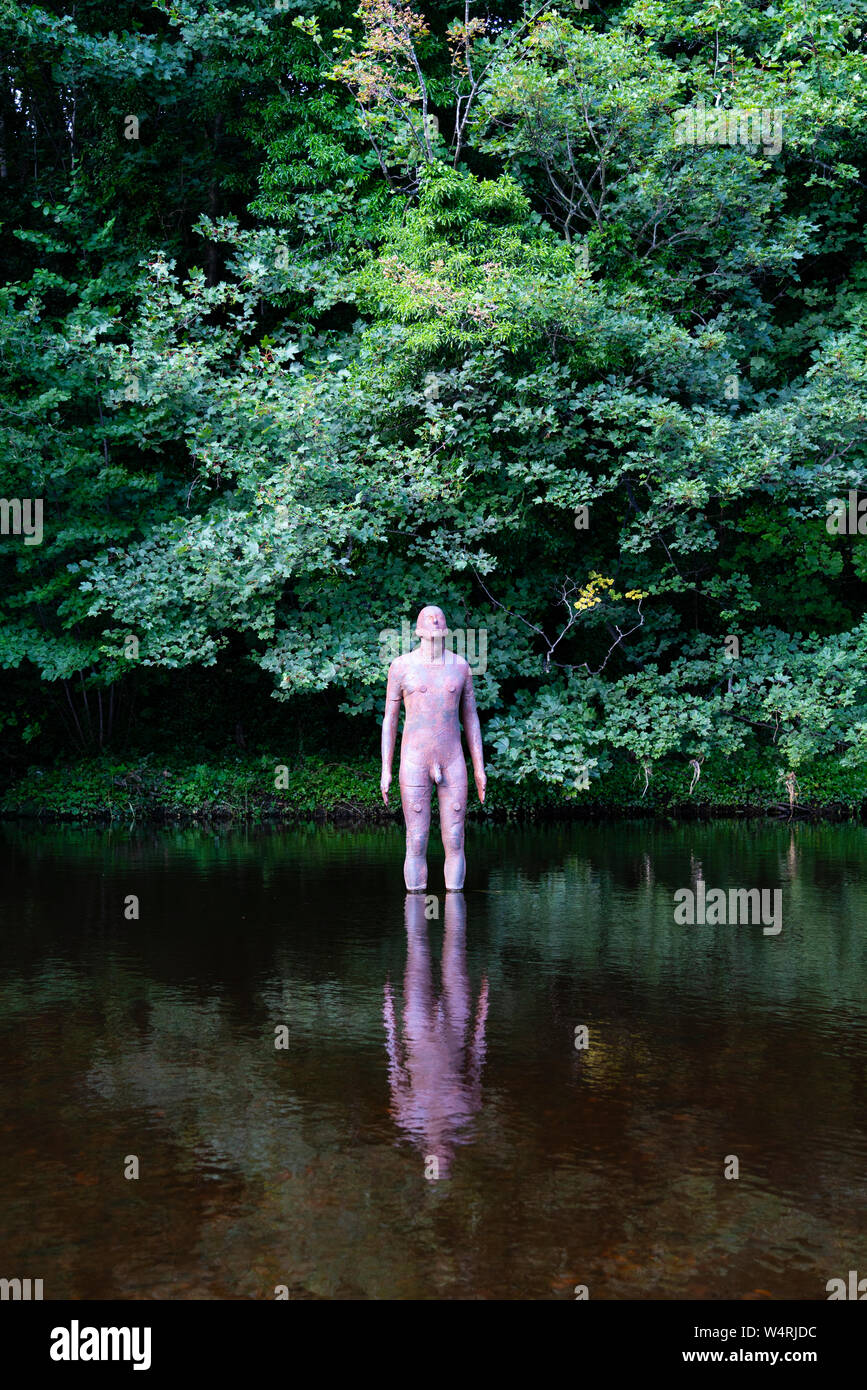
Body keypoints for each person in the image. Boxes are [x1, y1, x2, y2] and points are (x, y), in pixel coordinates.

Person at [381, 605, 486, 891]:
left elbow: (471, 717)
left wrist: (479, 767)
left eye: (439, 619)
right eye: (429, 619)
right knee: (416, 839)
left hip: (452, 759)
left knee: (455, 838)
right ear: (418, 629)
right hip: (414, 760)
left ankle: (454, 909)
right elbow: (390, 719)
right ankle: (416, 912)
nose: (435, 621)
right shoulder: (401, 667)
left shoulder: (460, 667)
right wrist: (385, 769)